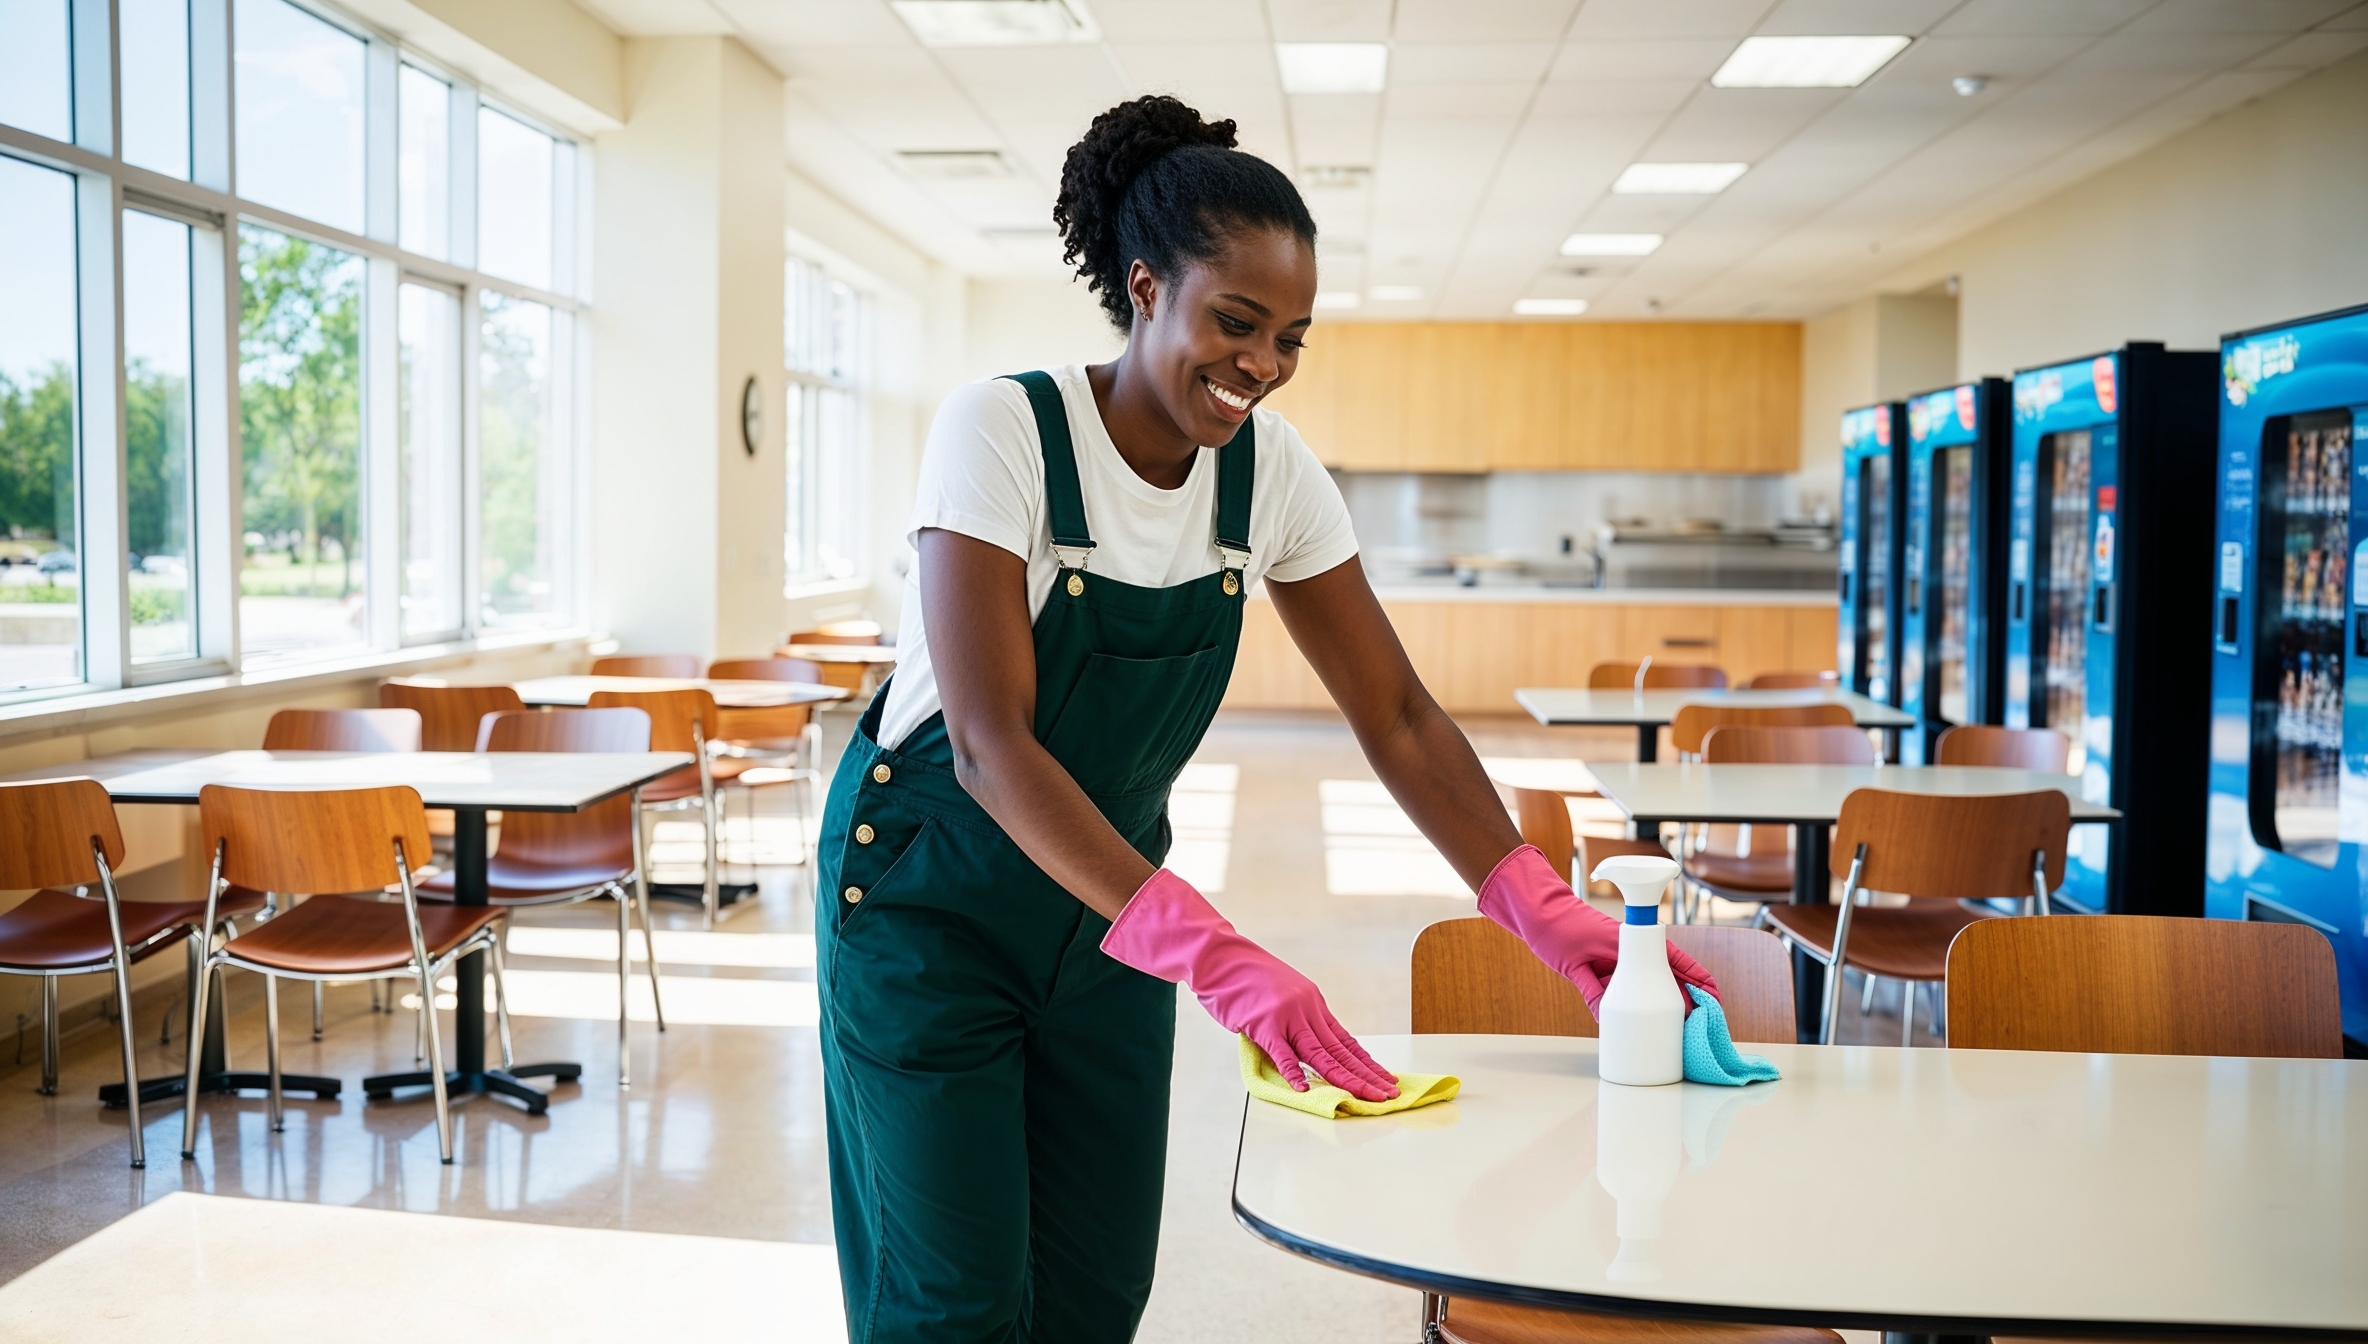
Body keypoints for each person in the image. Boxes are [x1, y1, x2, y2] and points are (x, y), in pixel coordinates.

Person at [813, 94, 1720, 1343]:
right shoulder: (1005, 431)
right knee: (954, 1304)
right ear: (1144, 289)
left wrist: (1537, 904)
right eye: (1234, 323)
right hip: (930, 909)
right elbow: (987, 748)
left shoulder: (1269, 473)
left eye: (1290, 337)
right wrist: (1217, 956)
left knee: (1092, 1291)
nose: (1261, 365)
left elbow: (1397, 714)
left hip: (1106, 924)